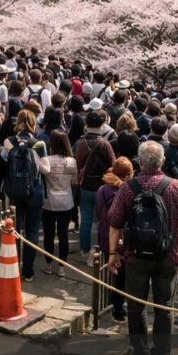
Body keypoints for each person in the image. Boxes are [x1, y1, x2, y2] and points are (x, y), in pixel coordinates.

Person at [107, 141, 178, 355]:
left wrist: (113, 253)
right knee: (164, 307)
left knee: (135, 306)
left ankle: (140, 354)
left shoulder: (127, 188)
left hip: (135, 255)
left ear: (139, 162)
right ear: (163, 161)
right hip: (168, 255)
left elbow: (114, 223)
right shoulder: (177, 187)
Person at [1, 109, 49, 281]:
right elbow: (46, 169)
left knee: (15, 228)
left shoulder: (9, 141)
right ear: (33, 123)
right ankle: (28, 270)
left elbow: (4, 160)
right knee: (32, 230)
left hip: (14, 189)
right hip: (34, 190)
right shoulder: (39, 144)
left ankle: (13, 264)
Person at [75, 109, 117, 264]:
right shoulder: (105, 144)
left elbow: (77, 164)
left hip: (85, 185)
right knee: (100, 220)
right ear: (103, 124)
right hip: (102, 187)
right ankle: (97, 249)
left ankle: (85, 249)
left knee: (85, 219)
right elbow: (113, 165)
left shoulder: (81, 144)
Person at [95, 157, 134, 322]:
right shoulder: (129, 191)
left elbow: (98, 211)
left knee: (108, 271)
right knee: (121, 276)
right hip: (122, 237)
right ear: (128, 174)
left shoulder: (103, 189)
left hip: (105, 234)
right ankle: (119, 309)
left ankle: (107, 303)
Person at [41, 130, 77, 275]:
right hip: (66, 201)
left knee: (48, 234)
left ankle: (48, 264)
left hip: (49, 201)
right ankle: (62, 266)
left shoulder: (46, 160)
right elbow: (74, 181)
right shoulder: (71, 161)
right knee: (63, 235)